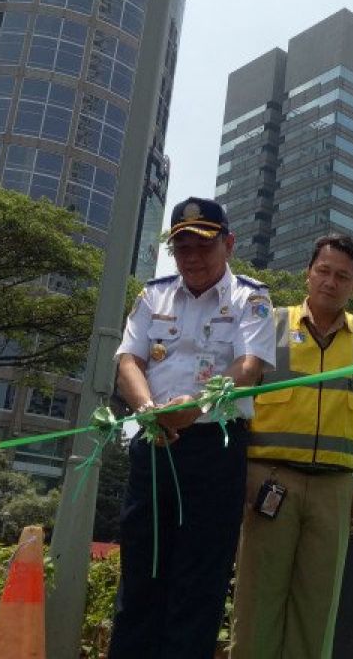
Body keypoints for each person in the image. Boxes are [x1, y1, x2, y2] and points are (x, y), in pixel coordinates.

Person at [109, 197, 276, 659]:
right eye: (182, 248)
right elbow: (128, 359)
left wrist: (197, 407)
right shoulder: (153, 294)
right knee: (141, 569)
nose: (193, 257)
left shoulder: (251, 297)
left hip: (214, 450)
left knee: (199, 580)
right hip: (155, 444)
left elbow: (251, 365)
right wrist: (148, 410)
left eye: (204, 245)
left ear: (229, 244)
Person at [229, 234, 353, 659]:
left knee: (318, 603)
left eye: (342, 276)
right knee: (257, 596)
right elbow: (238, 400)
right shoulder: (272, 324)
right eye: (323, 271)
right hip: (269, 480)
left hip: (334, 487)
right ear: (308, 273)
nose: (330, 282)